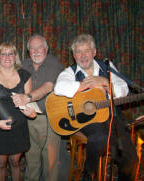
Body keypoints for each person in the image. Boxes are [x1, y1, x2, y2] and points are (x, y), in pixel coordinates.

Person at [54, 34, 138, 180]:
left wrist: (105, 82)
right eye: (79, 52)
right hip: (88, 118)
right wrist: (84, 85)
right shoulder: (70, 72)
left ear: (94, 52)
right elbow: (59, 88)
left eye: (87, 51)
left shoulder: (107, 67)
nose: (83, 55)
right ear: (74, 55)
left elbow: (123, 90)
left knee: (131, 160)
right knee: (100, 137)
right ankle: (88, 172)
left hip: (112, 115)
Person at [12, 34, 69, 181]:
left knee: (50, 162)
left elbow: (48, 86)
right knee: (31, 159)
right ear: (28, 51)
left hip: (48, 118)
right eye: (32, 48)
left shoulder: (53, 63)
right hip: (28, 118)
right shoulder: (24, 64)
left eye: (40, 48)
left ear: (46, 49)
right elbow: (6, 72)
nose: (36, 51)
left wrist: (27, 97)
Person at [0, 42, 35, 181]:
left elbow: (29, 102)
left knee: (15, 162)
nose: (7, 56)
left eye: (10, 53)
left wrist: (30, 112)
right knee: (1, 163)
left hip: (18, 126)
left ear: (15, 56)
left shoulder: (25, 75)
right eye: (3, 53)